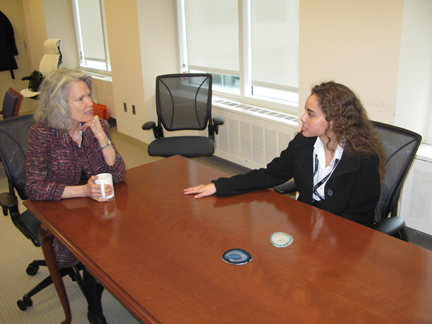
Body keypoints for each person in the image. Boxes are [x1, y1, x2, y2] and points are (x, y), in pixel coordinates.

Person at [184, 81, 386, 227]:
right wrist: (219, 185)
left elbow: (358, 218)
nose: (302, 118)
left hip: (343, 238)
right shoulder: (303, 144)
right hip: (307, 227)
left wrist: (324, 239)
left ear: (334, 121)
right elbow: (269, 174)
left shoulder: (364, 159)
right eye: (305, 111)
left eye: (311, 114)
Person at [26, 68, 126, 324]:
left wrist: (101, 136)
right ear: (60, 105)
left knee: (131, 234)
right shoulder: (43, 134)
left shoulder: (97, 125)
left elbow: (119, 174)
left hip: (99, 203)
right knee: (95, 251)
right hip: (62, 206)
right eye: (80, 99)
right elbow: (34, 187)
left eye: (88, 95)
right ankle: (94, 310)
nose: (89, 103)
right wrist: (82, 191)